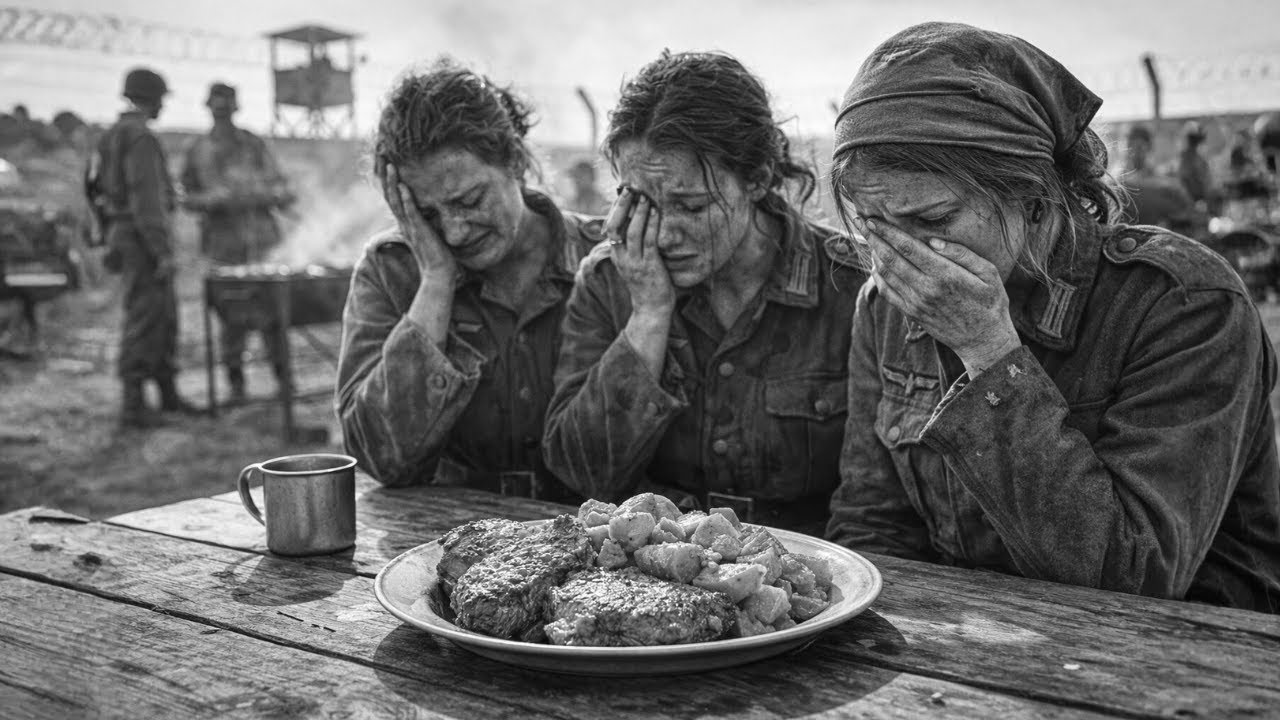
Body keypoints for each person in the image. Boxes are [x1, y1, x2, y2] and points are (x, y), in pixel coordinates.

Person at [826, 22, 1280, 612]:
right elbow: (871, 526)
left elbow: (1135, 580)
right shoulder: (885, 305)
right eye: (875, 226)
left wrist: (989, 353)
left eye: (934, 221)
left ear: (1033, 196)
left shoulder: (1184, 304)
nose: (901, 256)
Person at [542, 51, 867, 535]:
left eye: (691, 206)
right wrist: (648, 314)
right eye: (644, 204)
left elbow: (872, 512)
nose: (665, 234)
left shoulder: (852, 286)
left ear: (757, 178)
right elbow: (584, 472)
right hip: (654, 575)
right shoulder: (611, 280)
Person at [335, 59, 598, 499]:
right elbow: (379, 457)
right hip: (444, 544)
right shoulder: (392, 270)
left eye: (470, 200)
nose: (454, 231)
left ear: (514, 160)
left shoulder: (608, 261)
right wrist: (436, 281)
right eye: (428, 215)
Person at [88, 67, 199, 428]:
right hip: (141, 239)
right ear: (152, 99)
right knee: (146, 318)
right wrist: (161, 251)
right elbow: (146, 200)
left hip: (125, 235)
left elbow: (93, 191)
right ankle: (133, 407)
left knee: (163, 315)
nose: (163, 107)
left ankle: (167, 395)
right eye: (162, 100)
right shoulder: (140, 138)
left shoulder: (109, 137)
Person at [180, 82, 296, 404]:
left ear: (235, 109)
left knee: (273, 316)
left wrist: (267, 195)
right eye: (217, 108)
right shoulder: (197, 150)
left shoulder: (253, 144)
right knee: (231, 318)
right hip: (222, 245)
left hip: (263, 243)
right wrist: (211, 200)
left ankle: (284, 382)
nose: (222, 115)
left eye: (227, 108)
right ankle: (236, 386)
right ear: (209, 109)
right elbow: (184, 198)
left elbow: (281, 187)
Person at [1120, 124, 1198, 234]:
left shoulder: (1165, 183)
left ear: (1148, 148)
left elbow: (1187, 209)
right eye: (1131, 147)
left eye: (1140, 147)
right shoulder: (1118, 182)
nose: (1135, 153)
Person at [1176, 121, 1215, 212]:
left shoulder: (1199, 159)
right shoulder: (1187, 159)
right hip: (1190, 204)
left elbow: (1206, 185)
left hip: (1199, 204)